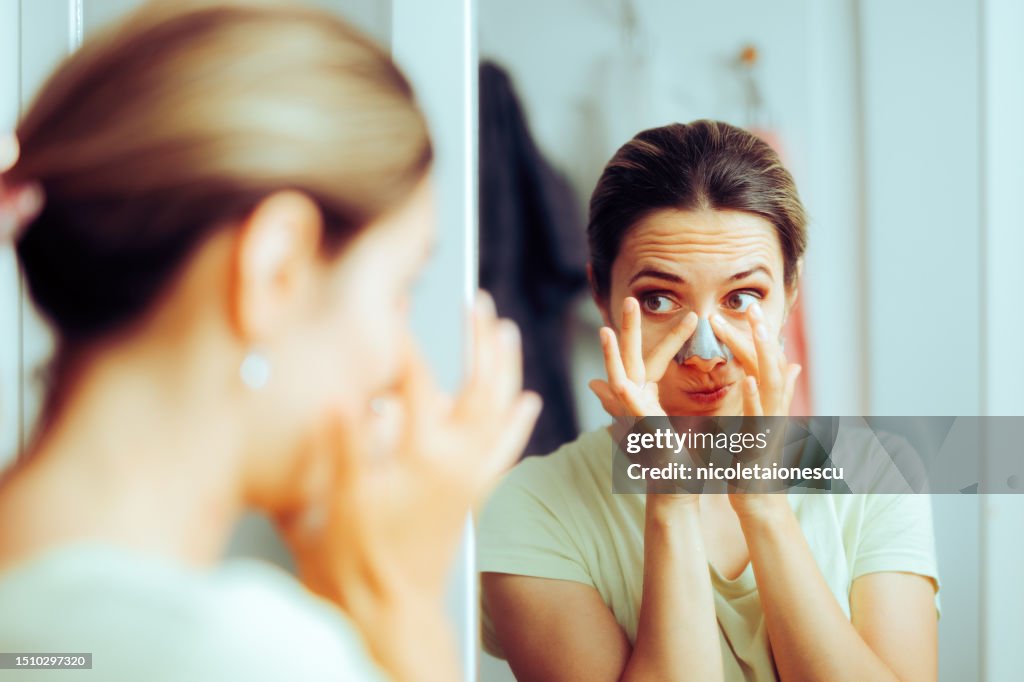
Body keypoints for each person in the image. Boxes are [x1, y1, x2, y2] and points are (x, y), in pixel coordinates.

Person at [0, 2, 540, 681]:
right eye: (399, 288)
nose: (400, 363)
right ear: (275, 267)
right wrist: (396, 600)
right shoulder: (236, 655)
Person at [478, 121, 939, 682]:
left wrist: (763, 505)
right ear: (601, 293)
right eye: (659, 299)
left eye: (742, 297)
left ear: (790, 292)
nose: (704, 353)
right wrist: (670, 502)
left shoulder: (878, 473)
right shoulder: (529, 505)